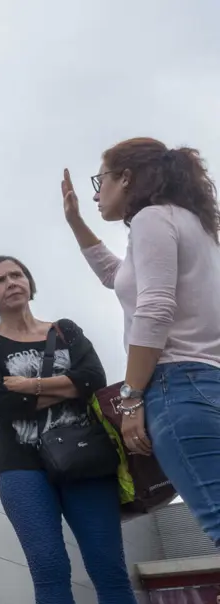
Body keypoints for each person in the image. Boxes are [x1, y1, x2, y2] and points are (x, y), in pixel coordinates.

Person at [0, 255, 197, 604]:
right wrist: (64, 385)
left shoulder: (66, 330)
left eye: (17, 274)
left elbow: (93, 379)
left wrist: (31, 385)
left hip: (87, 462)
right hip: (21, 466)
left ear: (30, 282)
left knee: (109, 570)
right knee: (49, 569)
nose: (11, 283)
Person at [62, 139, 220, 549]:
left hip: (177, 388)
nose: (96, 193)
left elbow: (153, 308)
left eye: (102, 180)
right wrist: (76, 223)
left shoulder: (152, 219)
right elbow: (118, 277)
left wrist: (131, 398)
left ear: (127, 178)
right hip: (208, 384)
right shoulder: (192, 225)